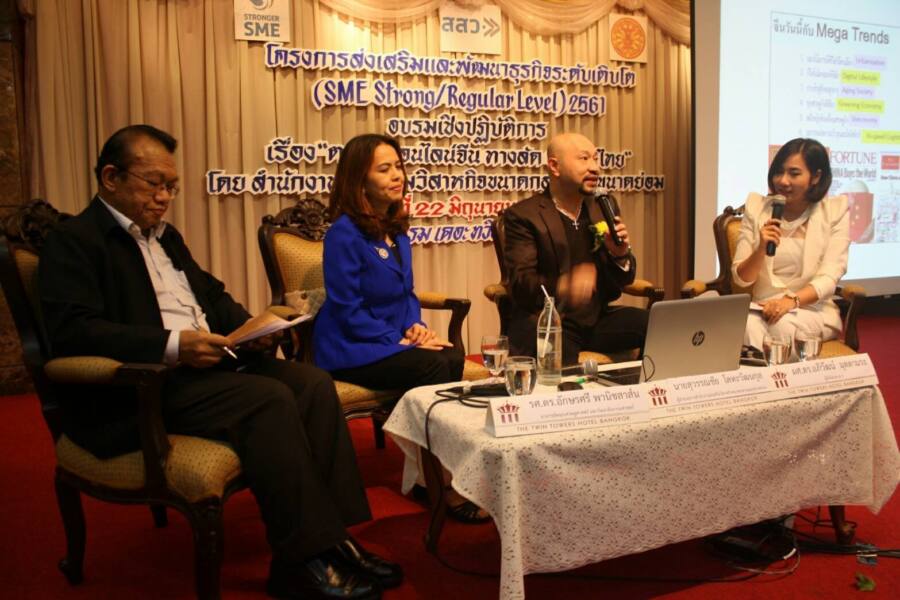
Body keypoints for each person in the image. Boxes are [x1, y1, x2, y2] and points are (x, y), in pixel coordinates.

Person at [39, 124, 401, 600]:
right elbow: (75, 331)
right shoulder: (74, 241)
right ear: (111, 177)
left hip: (205, 367)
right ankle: (300, 562)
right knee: (267, 399)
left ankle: (334, 540)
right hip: (144, 386)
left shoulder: (165, 238)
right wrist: (173, 344)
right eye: (154, 183)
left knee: (311, 383)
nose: (165, 197)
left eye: (172, 186)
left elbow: (211, 296)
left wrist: (254, 327)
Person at [312, 133, 482, 523]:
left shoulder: (397, 229)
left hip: (391, 341)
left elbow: (406, 295)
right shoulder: (343, 234)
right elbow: (348, 309)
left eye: (399, 166)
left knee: (451, 357)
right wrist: (401, 340)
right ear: (359, 180)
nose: (397, 175)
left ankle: (427, 473)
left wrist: (417, 327)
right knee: (433, 365)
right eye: (384, 169)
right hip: (350, 346)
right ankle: (439, 481)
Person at [503, 132, 648, 364]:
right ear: (554, 166)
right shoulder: (524, 216)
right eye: (584, 158)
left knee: (657, 325)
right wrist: (565, 285)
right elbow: (521, 285)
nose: (595, 168)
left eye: (596, 159)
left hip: (597, 319)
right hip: (550, 321)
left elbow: (623, 280)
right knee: (563, 365)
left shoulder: (603, 206)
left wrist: (620, 256)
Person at [732, 137, 849, 352]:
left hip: (811, 309)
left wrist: (790, 301)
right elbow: (741, 278)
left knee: (782, 328)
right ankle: (764, 372)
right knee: (743, 326)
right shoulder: (757, 207)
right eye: (779, 172)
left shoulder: (834, 211)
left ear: (816, 177)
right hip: (763, 307)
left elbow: (829, 277)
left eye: (794, 174)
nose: (783, 181)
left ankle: (780, 372)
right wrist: (760, 248)